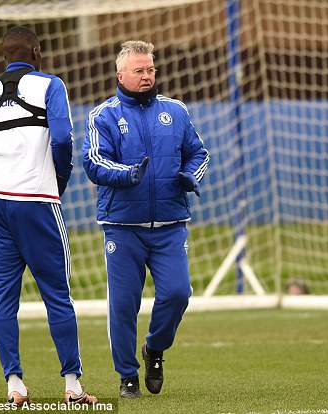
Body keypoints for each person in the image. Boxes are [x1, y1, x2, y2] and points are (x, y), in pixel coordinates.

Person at [0, 26, 97, 405]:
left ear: (4, 56)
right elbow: (63, 139)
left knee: (3, 297)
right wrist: (61, 179)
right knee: (57, 295)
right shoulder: (51, 86)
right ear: (37, 51)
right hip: (36, 201)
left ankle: (15, 385)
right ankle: (72, 385)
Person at [82, 40, 209, 398]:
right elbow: (93, 161)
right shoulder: (102, 116)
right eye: (139, 71)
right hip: (122, 227)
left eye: (150, 69)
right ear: (120, 74)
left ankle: (154, 349)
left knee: (177, 293)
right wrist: (127, 174)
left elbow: (198, 153)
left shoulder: (176, 111)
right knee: (123, 305)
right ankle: (127, 376)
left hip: (170, 224)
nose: (147, 76)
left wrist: (190, 176)